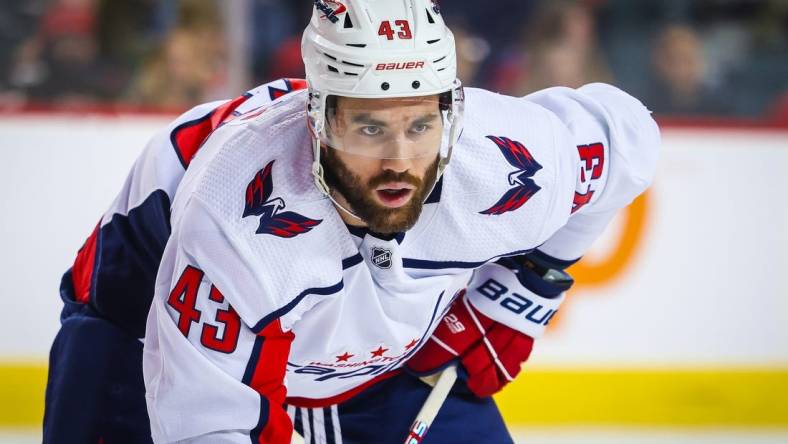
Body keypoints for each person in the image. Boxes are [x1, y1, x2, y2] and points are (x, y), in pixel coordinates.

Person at [45, 1, 660, 443]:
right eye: (368, 127)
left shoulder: (504, 159)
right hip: (141, 330)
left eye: (420, 126)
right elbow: (204, 422)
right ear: (316, 121)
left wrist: (519, 292)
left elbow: (627, 140)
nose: (398, 162)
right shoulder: (237, 215)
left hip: (381, 368)